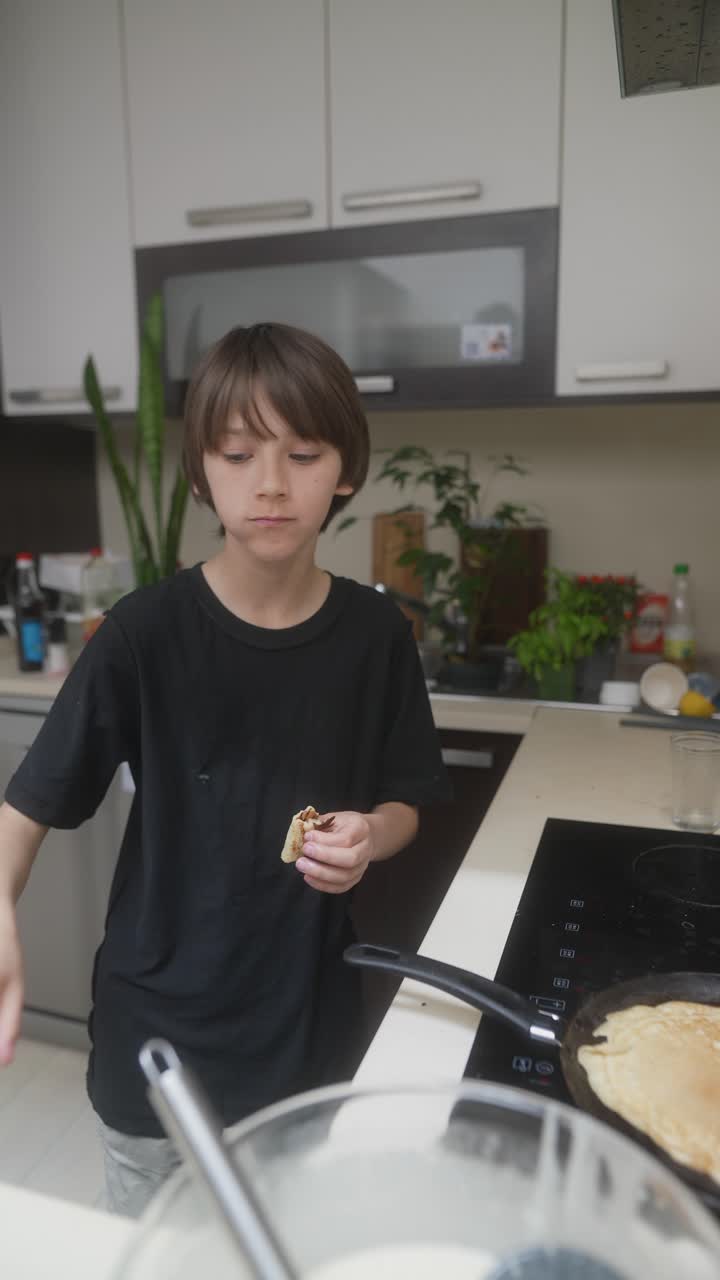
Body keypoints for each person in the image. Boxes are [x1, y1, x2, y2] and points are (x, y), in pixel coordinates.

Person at [0, 322, 450, 1217]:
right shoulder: (144, 633)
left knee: (288, 1244)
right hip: (156, 1048)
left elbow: (408, 798)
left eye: (304, 454)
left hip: (307, 1034)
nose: (271, 483)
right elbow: (29, 803)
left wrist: (370, 834)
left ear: (345, 470)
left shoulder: (376, 635)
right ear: (202, 473)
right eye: (239, 455)